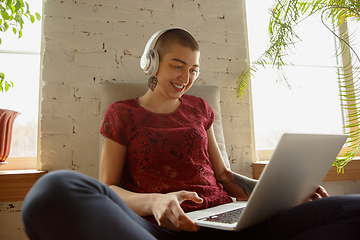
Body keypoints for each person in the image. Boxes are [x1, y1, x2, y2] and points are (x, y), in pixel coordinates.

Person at [22, 27, 360, 240]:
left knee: (351, 208)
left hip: (226, 218)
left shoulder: (199, 108)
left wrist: (284, 194)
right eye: (177, 65)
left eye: (194, 69)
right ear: (152, 64)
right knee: (54, 189)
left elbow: (225, 175)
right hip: (161, 226)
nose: (186, 77)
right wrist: (154, 203)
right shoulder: (123, 113)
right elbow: (107, 188)